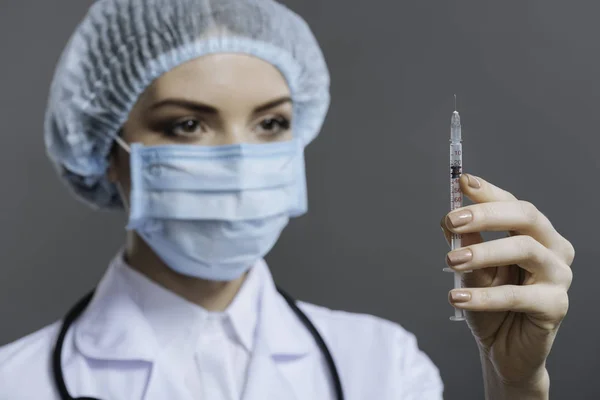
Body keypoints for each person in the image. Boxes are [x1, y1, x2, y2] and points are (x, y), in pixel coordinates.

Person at [0, 0, 574, 399]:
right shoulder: (16, 384)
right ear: (104, 148)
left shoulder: (380, 364)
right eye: (187, 126)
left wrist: (516, 386)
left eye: (271, 122)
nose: (240, 160)